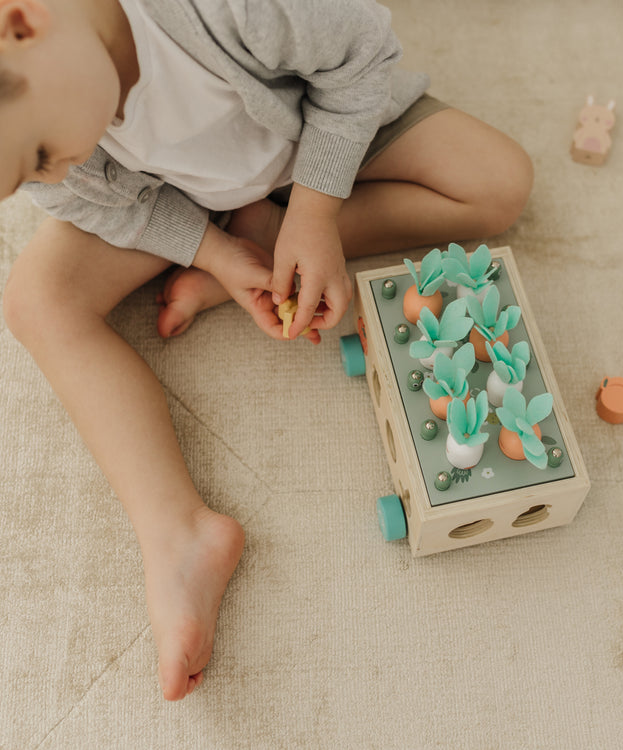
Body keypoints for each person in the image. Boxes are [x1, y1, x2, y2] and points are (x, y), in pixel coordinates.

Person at [0, 0, 533, 701]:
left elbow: (360, 50)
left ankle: (281, 239)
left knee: (499, 182)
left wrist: (315, 213)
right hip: (184, 198)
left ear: (22, 21)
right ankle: (178, 532)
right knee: (37, 301)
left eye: (39, 156)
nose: (49, 179)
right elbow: (103, 205)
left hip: (319, 134)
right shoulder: (60, 144)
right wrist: (213, 251)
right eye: (26, 180)